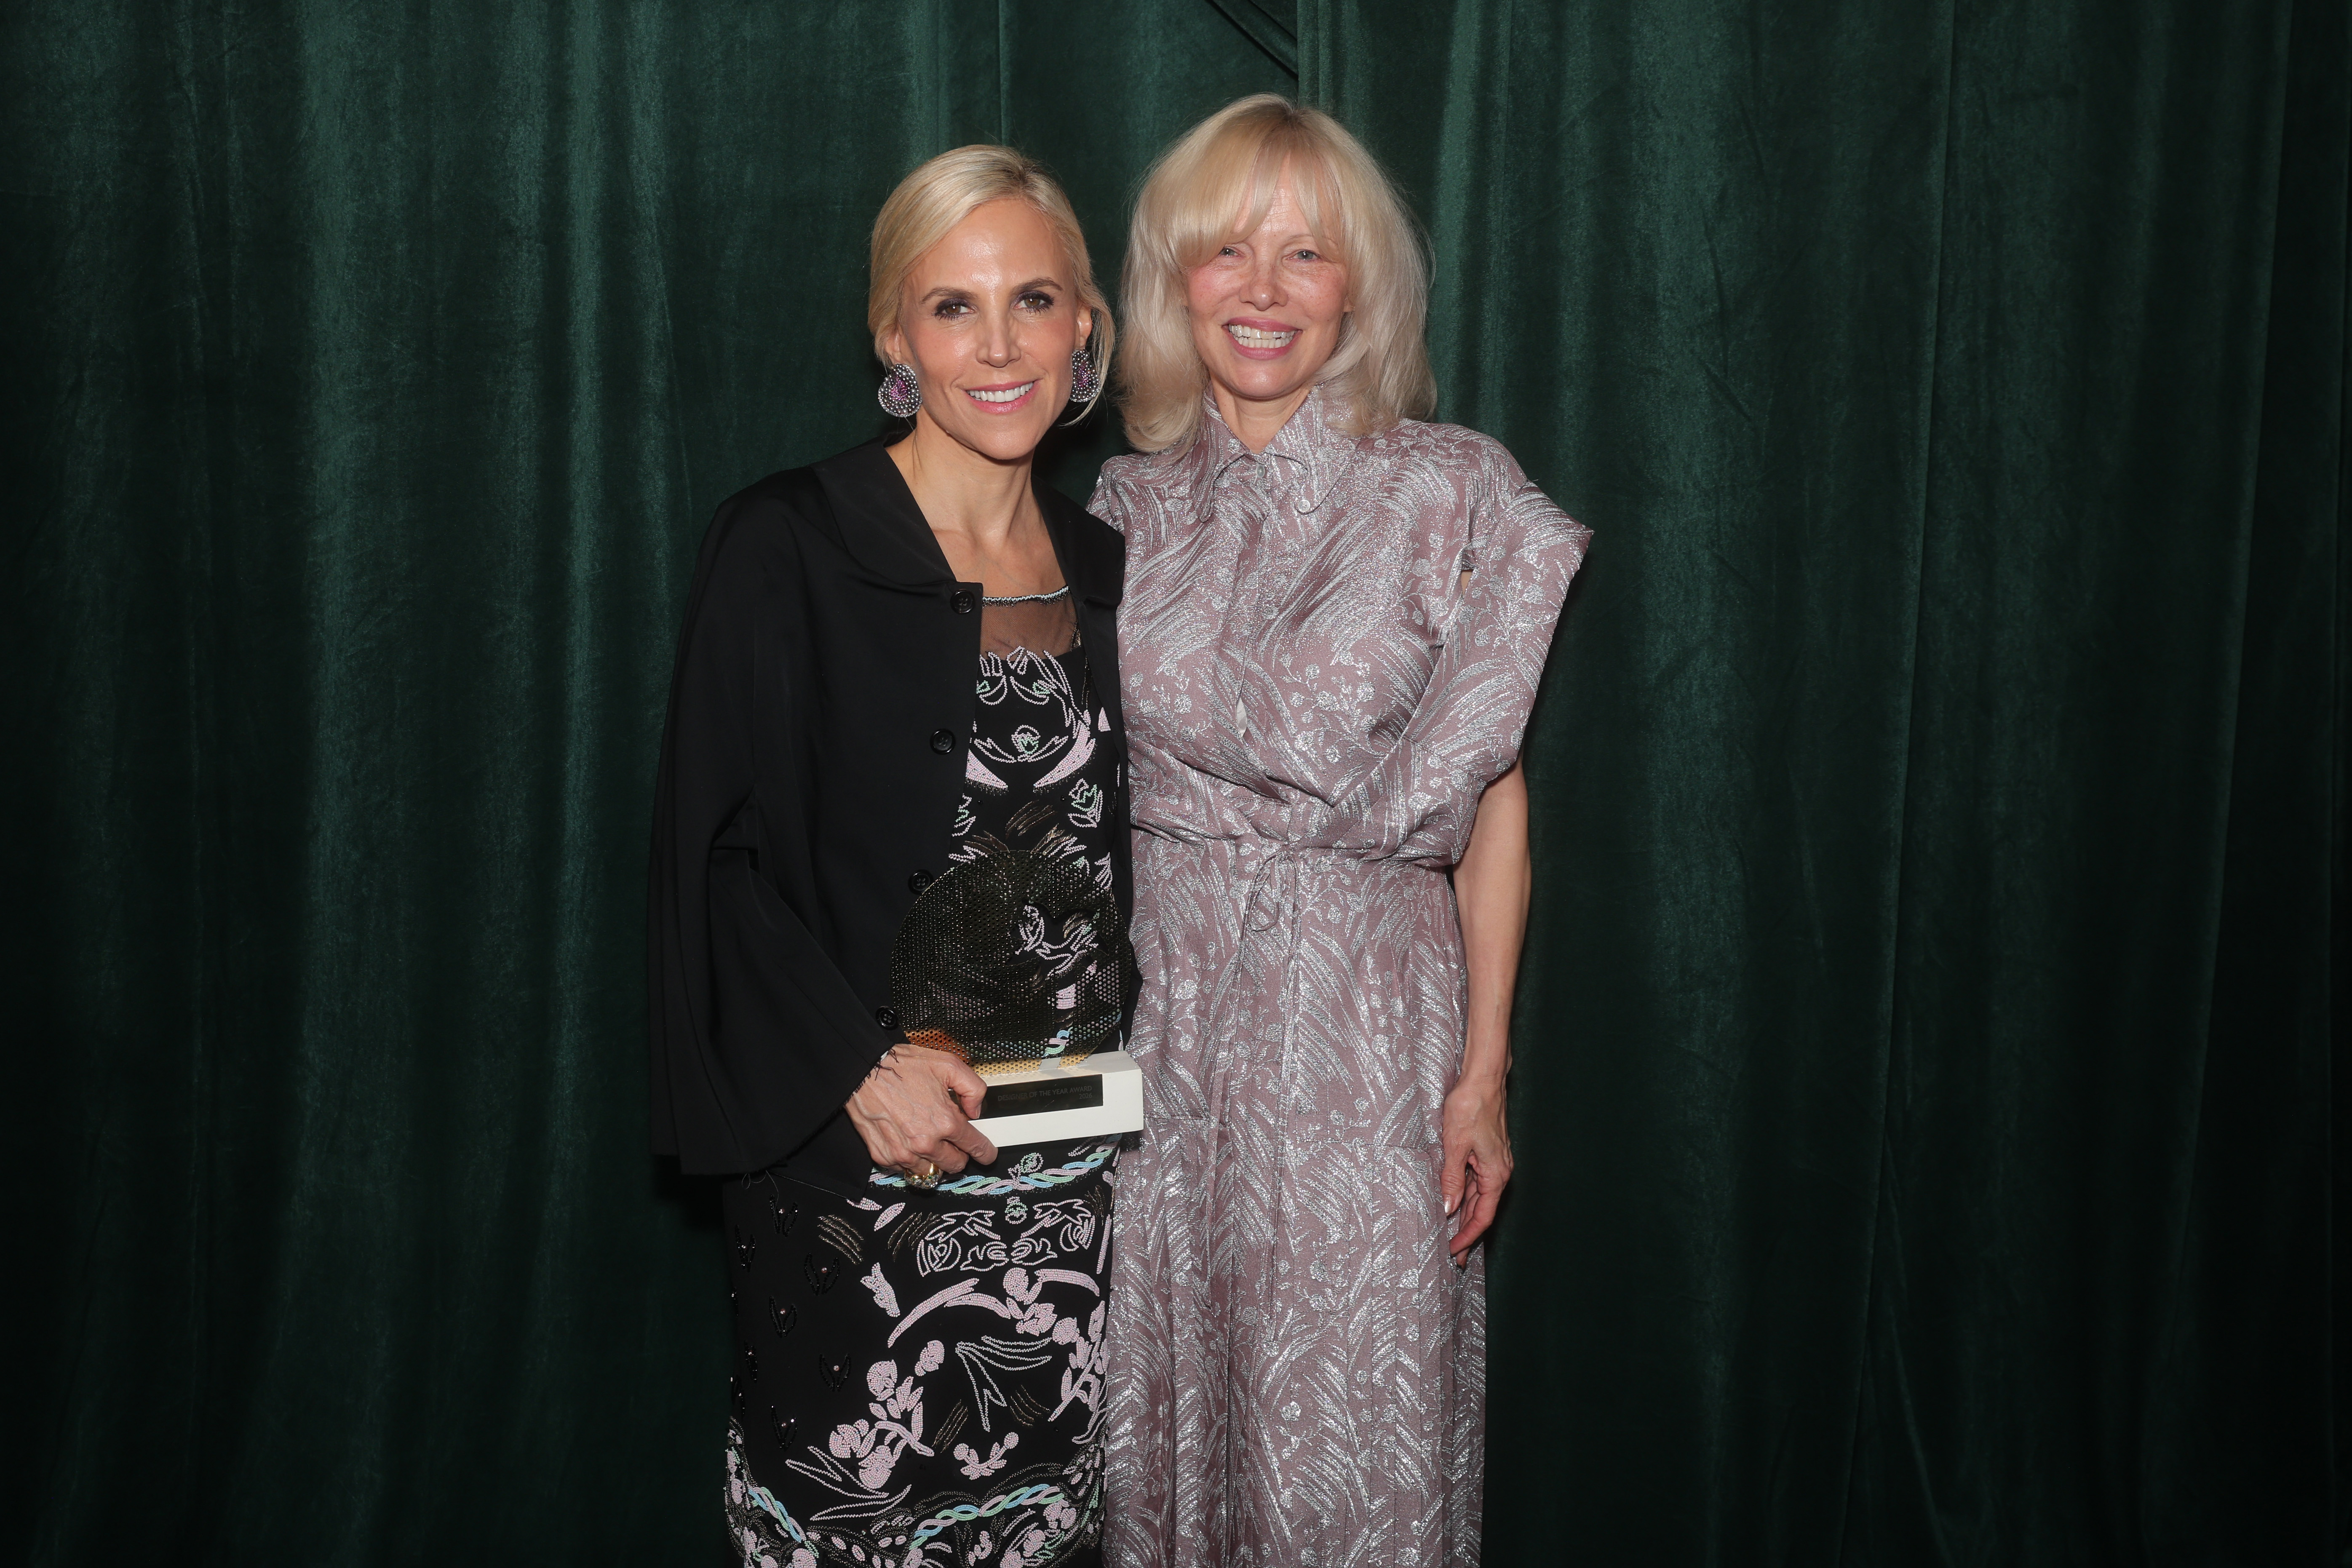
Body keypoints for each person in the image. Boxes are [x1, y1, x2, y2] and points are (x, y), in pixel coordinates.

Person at [1088, 96, 1590, 1566]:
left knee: (1351, 1435)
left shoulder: (1454, 491)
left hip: (1368, 1023)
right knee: (1159, 1403)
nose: (1261, 289)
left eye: (1306, 256)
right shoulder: (1123, 505)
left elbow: (1492, 806)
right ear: (1173, 279)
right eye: (1227, 251)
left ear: (1358, 287)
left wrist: (1483, 1073)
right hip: (1163, 1018)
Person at [648, 145, 1135, 1568]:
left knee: (1042, 1533)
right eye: (952, 306)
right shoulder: (786, 540)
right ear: (892, 335)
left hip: (1068, 1187)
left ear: (1086, 329)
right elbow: (705, 858)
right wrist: (857, 1062)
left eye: (1034, 300)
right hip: (857, 1169)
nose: (998, 345)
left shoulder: (1104, 563)